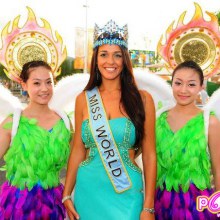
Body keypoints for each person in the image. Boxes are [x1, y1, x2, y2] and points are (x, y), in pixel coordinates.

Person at [63, 20, 156, 220]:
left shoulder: (143, 99)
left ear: (125, 60)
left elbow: (149, 155)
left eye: (117, 55)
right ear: (96, 59)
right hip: (88, 190)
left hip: (127, 191)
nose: (110, 62)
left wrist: (148, 207)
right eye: (104, 54)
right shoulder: (84, 99)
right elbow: (78, 149)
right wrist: (66, 194)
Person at [0, 60, 72, 219]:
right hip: (17, 207)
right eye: (36, 83)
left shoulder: (64, 122)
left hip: (53, 204)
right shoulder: (13, 123)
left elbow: (76, 163)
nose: (44, 89)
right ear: (24, 85)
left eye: (49, 82)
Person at [155, 60, 220, 219]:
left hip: (198, 206)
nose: (183, 90)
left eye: (191, 84)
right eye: (178, 83)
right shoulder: (158, 119)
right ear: (172, 84)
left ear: (201, 87)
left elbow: (218, 170)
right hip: (161, 204)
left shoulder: (209, 122)